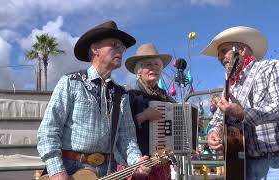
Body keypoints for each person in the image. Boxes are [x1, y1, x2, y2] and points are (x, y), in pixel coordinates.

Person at [37, 20, 150, 180]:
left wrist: (137, 161)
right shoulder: (70, 82)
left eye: (122, 47)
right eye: (114, 45)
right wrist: (56, 171)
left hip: (108, 172)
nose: (121, 50)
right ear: (95, 48)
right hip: (70, 171)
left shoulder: (121, 94)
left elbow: (127, 139)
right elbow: (48, 130)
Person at [201, 26, 279, 179]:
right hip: (245, 164)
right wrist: (213, 133)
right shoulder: (230, 86)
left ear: (242, 50)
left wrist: (242, 113)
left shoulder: (272, 67)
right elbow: (217, 119)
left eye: (224, 51)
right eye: (218, 54)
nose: (219, 57)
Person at [124, 43, 175, 180]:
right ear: (138, 71)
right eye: (148, 65)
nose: (153, 68)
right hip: (138, 163)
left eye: (157, 65)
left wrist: (193, 123)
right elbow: (120, 129)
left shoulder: (165, 96)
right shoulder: (129, 94)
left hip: (161, 162)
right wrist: (144, 116)